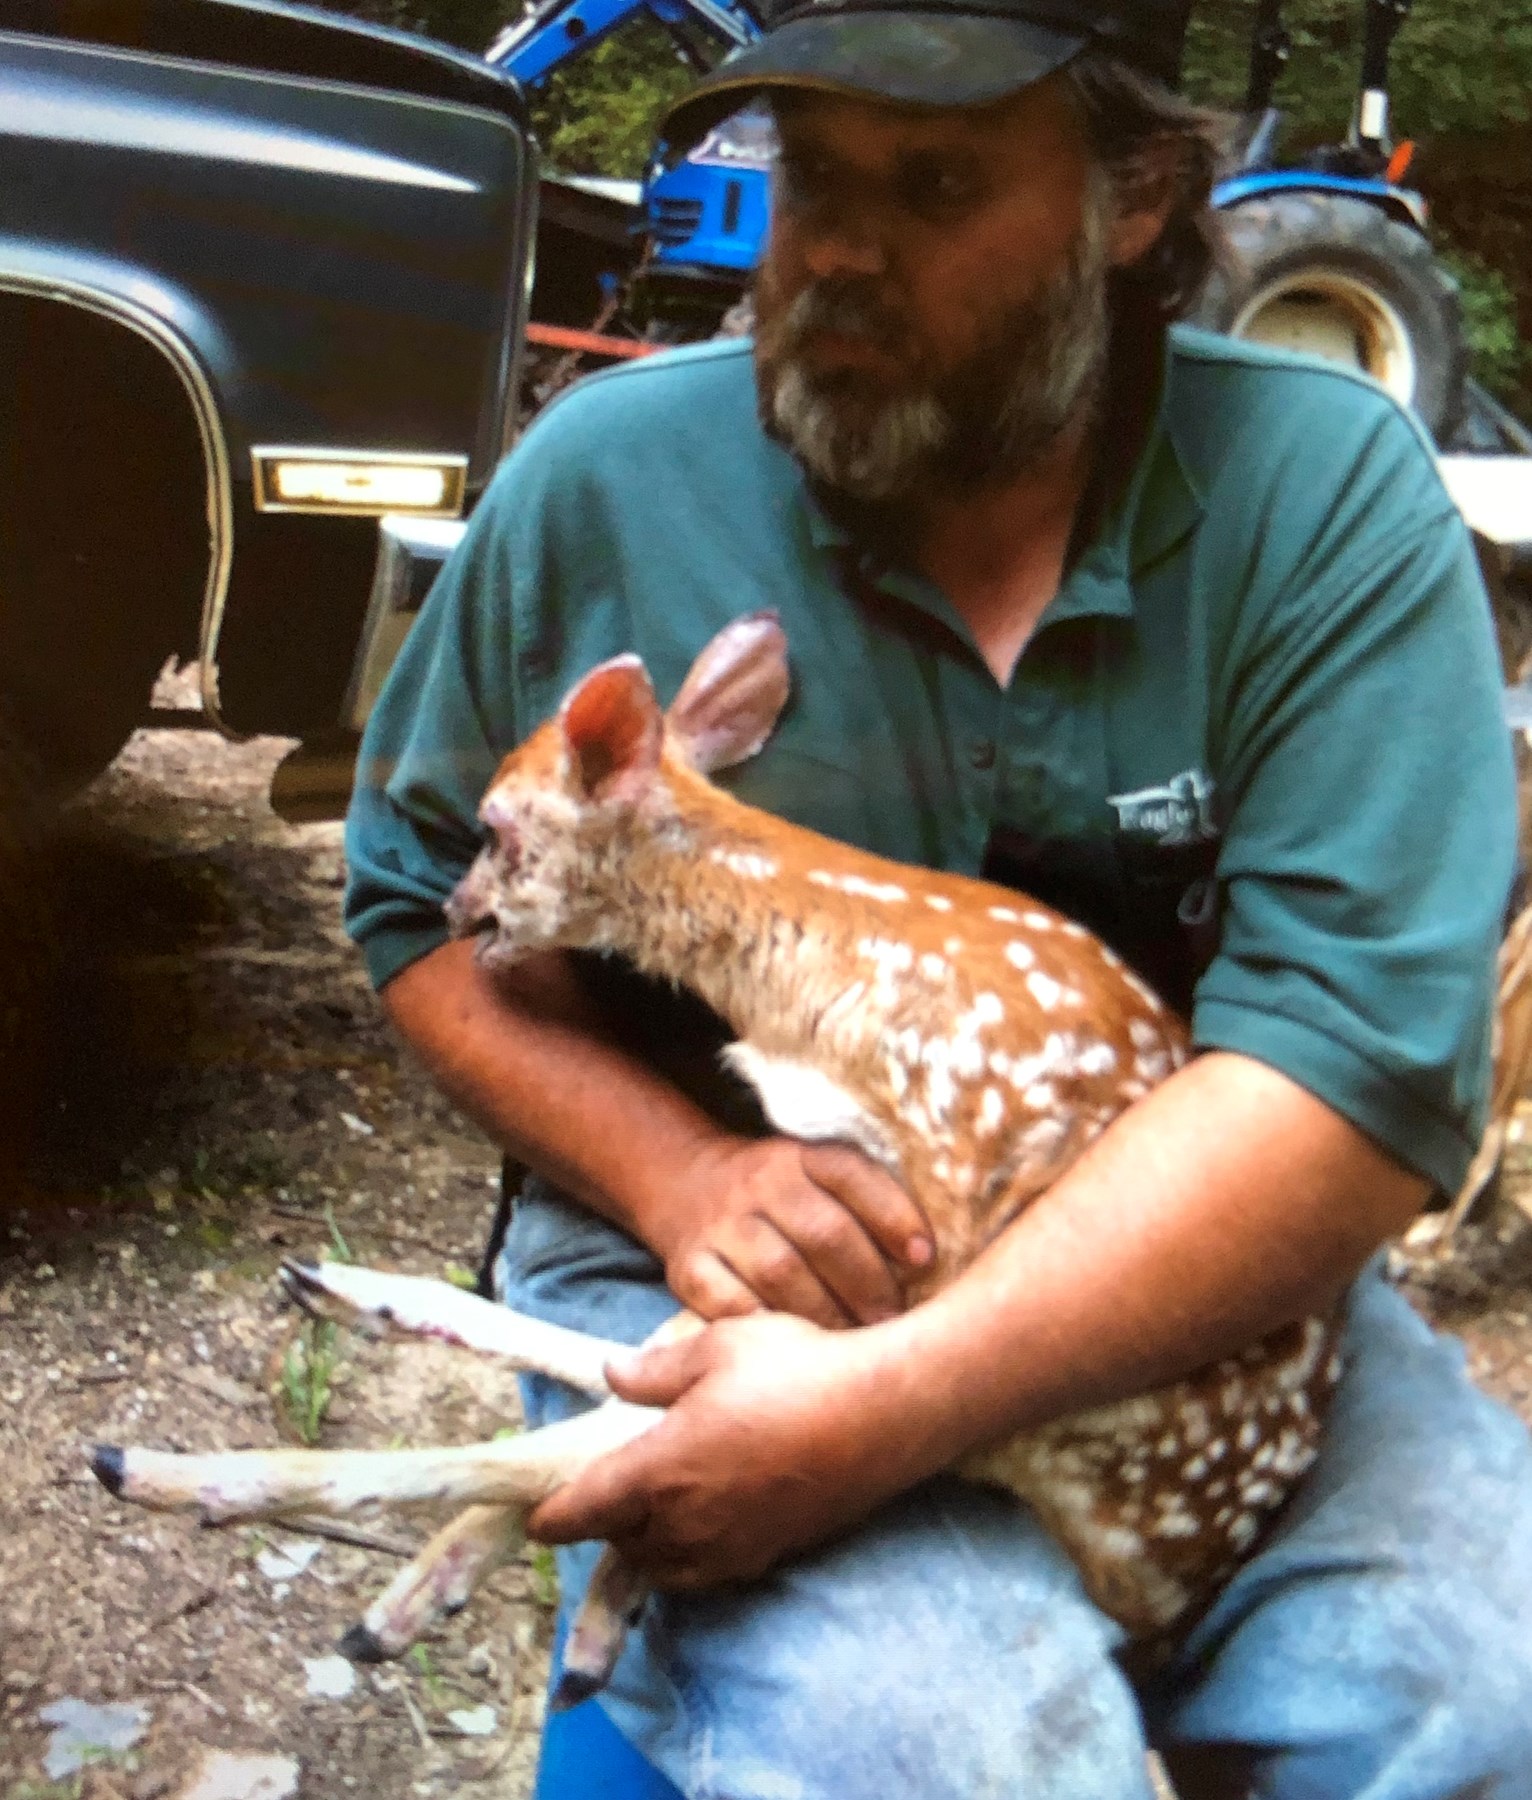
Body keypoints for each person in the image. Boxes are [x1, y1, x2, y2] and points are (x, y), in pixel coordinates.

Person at [344, 0, 1532, 1791]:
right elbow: (409, 924)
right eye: (813, 172)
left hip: (1187, 1265)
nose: (831, 248)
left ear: (1134, 200)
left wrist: (897, 1407)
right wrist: (689, 1173)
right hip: (732, 1233)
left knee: (1475, 1688)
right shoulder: (610, 483)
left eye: (940, 179)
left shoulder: (1323, 493)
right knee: (959, 1742)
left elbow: (1356, 1066)